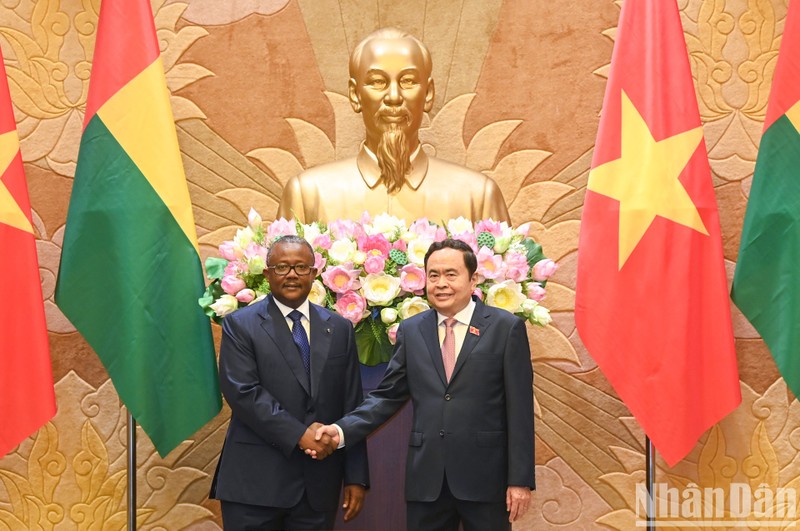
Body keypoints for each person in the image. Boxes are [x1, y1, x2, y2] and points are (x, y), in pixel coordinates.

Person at [312, 239, 534, 531]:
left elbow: (520, 409)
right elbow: (386, 397)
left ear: (473, 279)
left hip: (485, 479)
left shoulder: (506, 328)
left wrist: (519, 480)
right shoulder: (412, 330)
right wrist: (340, 431)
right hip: (427, 480)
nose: (441, 283)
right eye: (433, 275)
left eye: (451, 274)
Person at [210, 235, 369, 530]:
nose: (292, 274)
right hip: (255, 484)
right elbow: (243, 392)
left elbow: (352, 403)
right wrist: (300, 434)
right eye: (282, 267)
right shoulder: (240, 325)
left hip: (318, 485)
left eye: (300, 267)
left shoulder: (340, 328)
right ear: (268, 274)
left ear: (315, 273)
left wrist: (356, 475)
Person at [276, 28, 511, 224]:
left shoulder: (478, 198)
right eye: (377, 82)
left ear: (428, 94)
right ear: (355, 95)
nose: (394, 96)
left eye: (408, 81)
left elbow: (506, 279)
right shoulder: (308, 195)